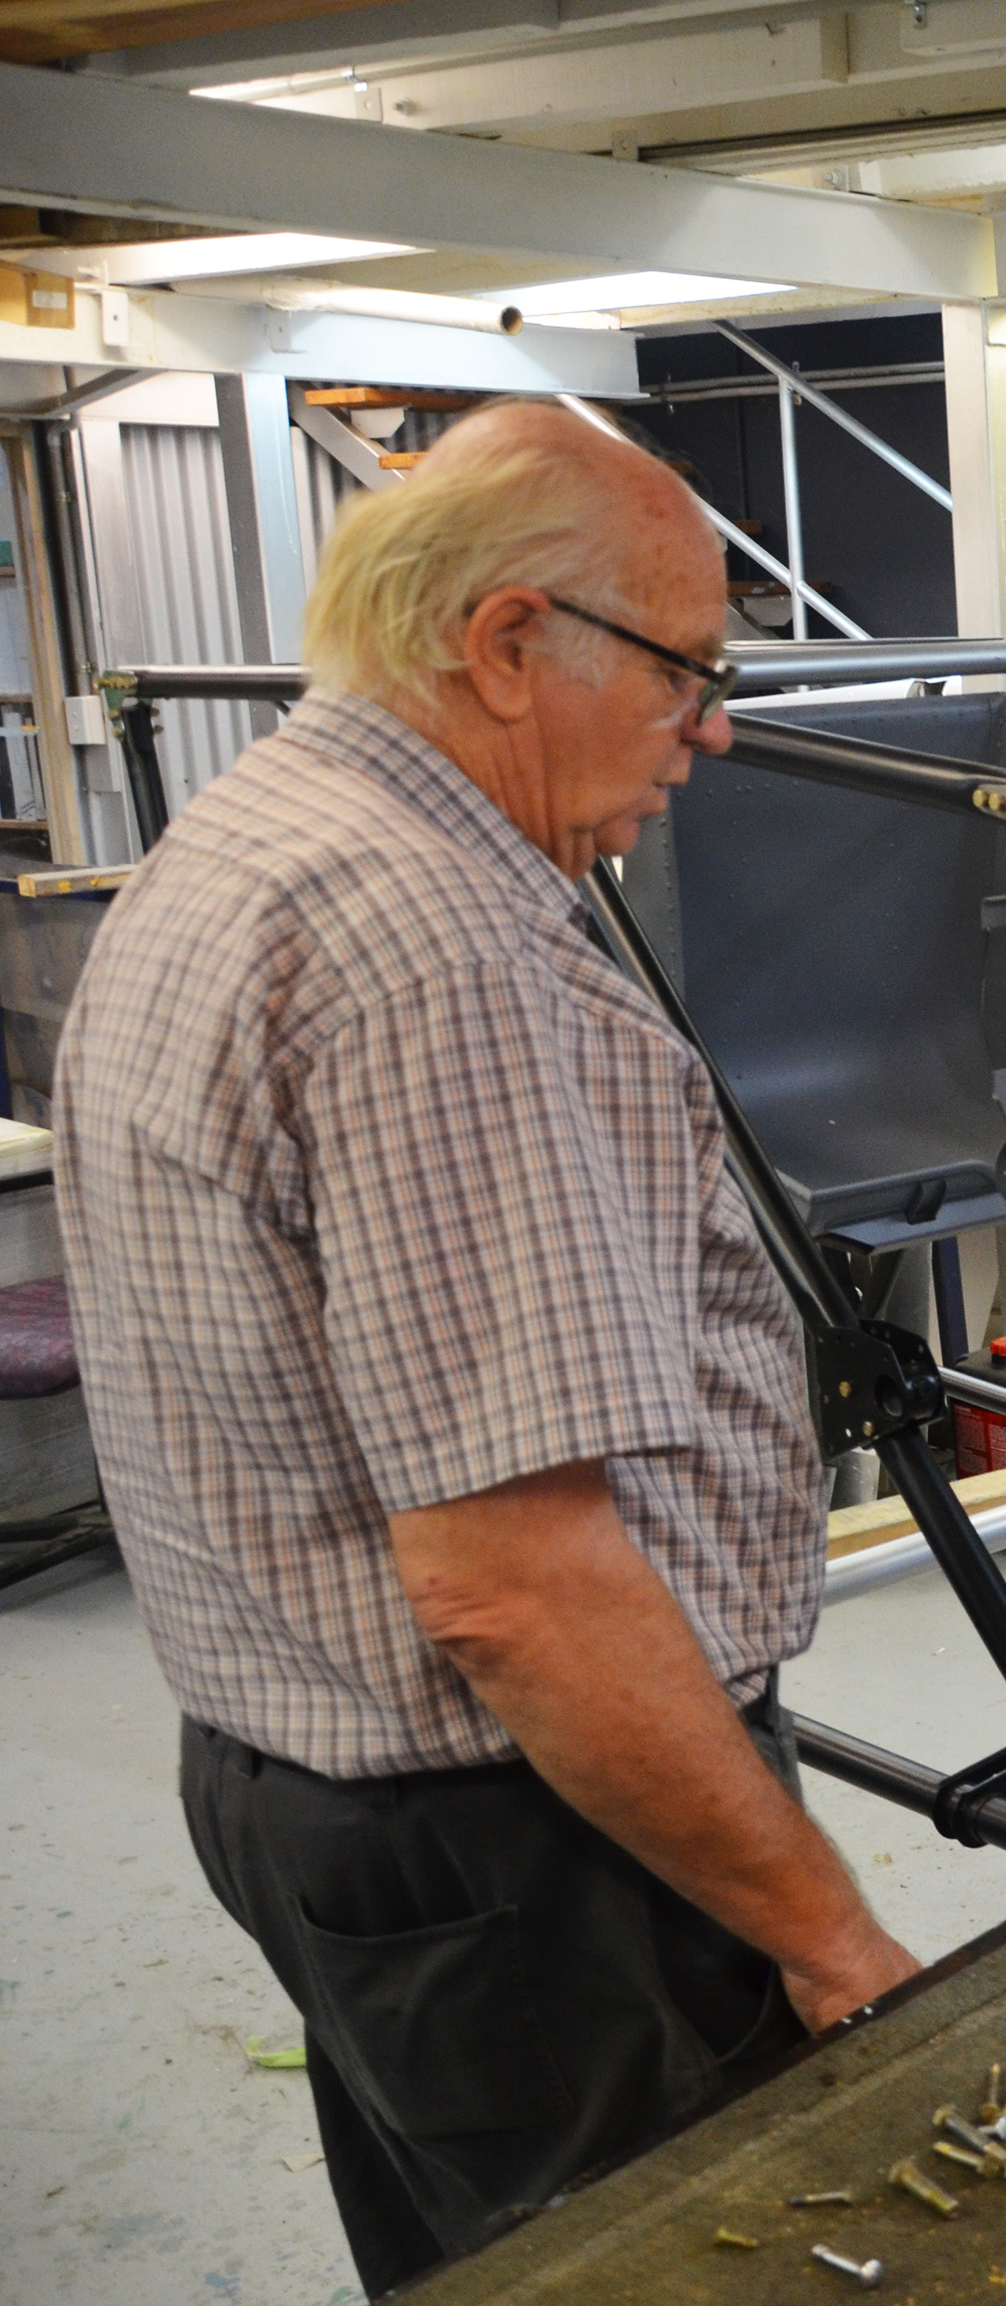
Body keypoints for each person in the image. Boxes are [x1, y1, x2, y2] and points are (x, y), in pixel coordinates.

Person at [58, 402, 920, 2294]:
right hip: (532, 1852)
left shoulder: (247, 838)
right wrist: (828, 1933)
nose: (716, 731)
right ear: (508, 644)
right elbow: (517, 1592)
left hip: (321, 1799)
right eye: (689, 672)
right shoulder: (443, 951)